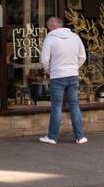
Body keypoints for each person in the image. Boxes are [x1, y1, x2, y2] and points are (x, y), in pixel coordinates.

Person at [37, 16, 88, 145]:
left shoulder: (50, 38)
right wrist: (74, 68)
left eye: (49, 28)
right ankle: (80, 137)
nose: (49, 30)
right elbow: (83, 56)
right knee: (74, 106)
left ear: (52, 27)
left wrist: (49, 70)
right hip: (73, 75)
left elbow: (44, 60)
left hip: (57, 76)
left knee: (57, 107)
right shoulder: (75, 37)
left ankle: (52, 137)